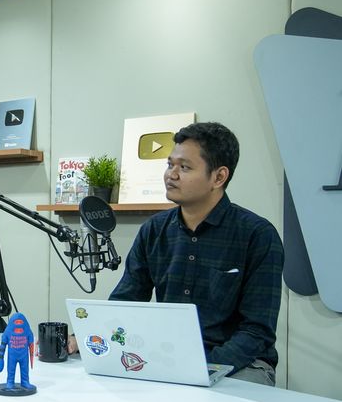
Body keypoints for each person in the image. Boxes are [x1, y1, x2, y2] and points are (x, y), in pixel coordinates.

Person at [68, 122, 284, 386]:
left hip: (240, 363)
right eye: (170, 164)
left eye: (184, 167)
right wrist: (91, 335)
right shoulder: (154, 230)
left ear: (218, 177)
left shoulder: (257, 235)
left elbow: (256, 331)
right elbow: (126, 301)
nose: (171, 175)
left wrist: (203, 368)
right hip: (167, 357)